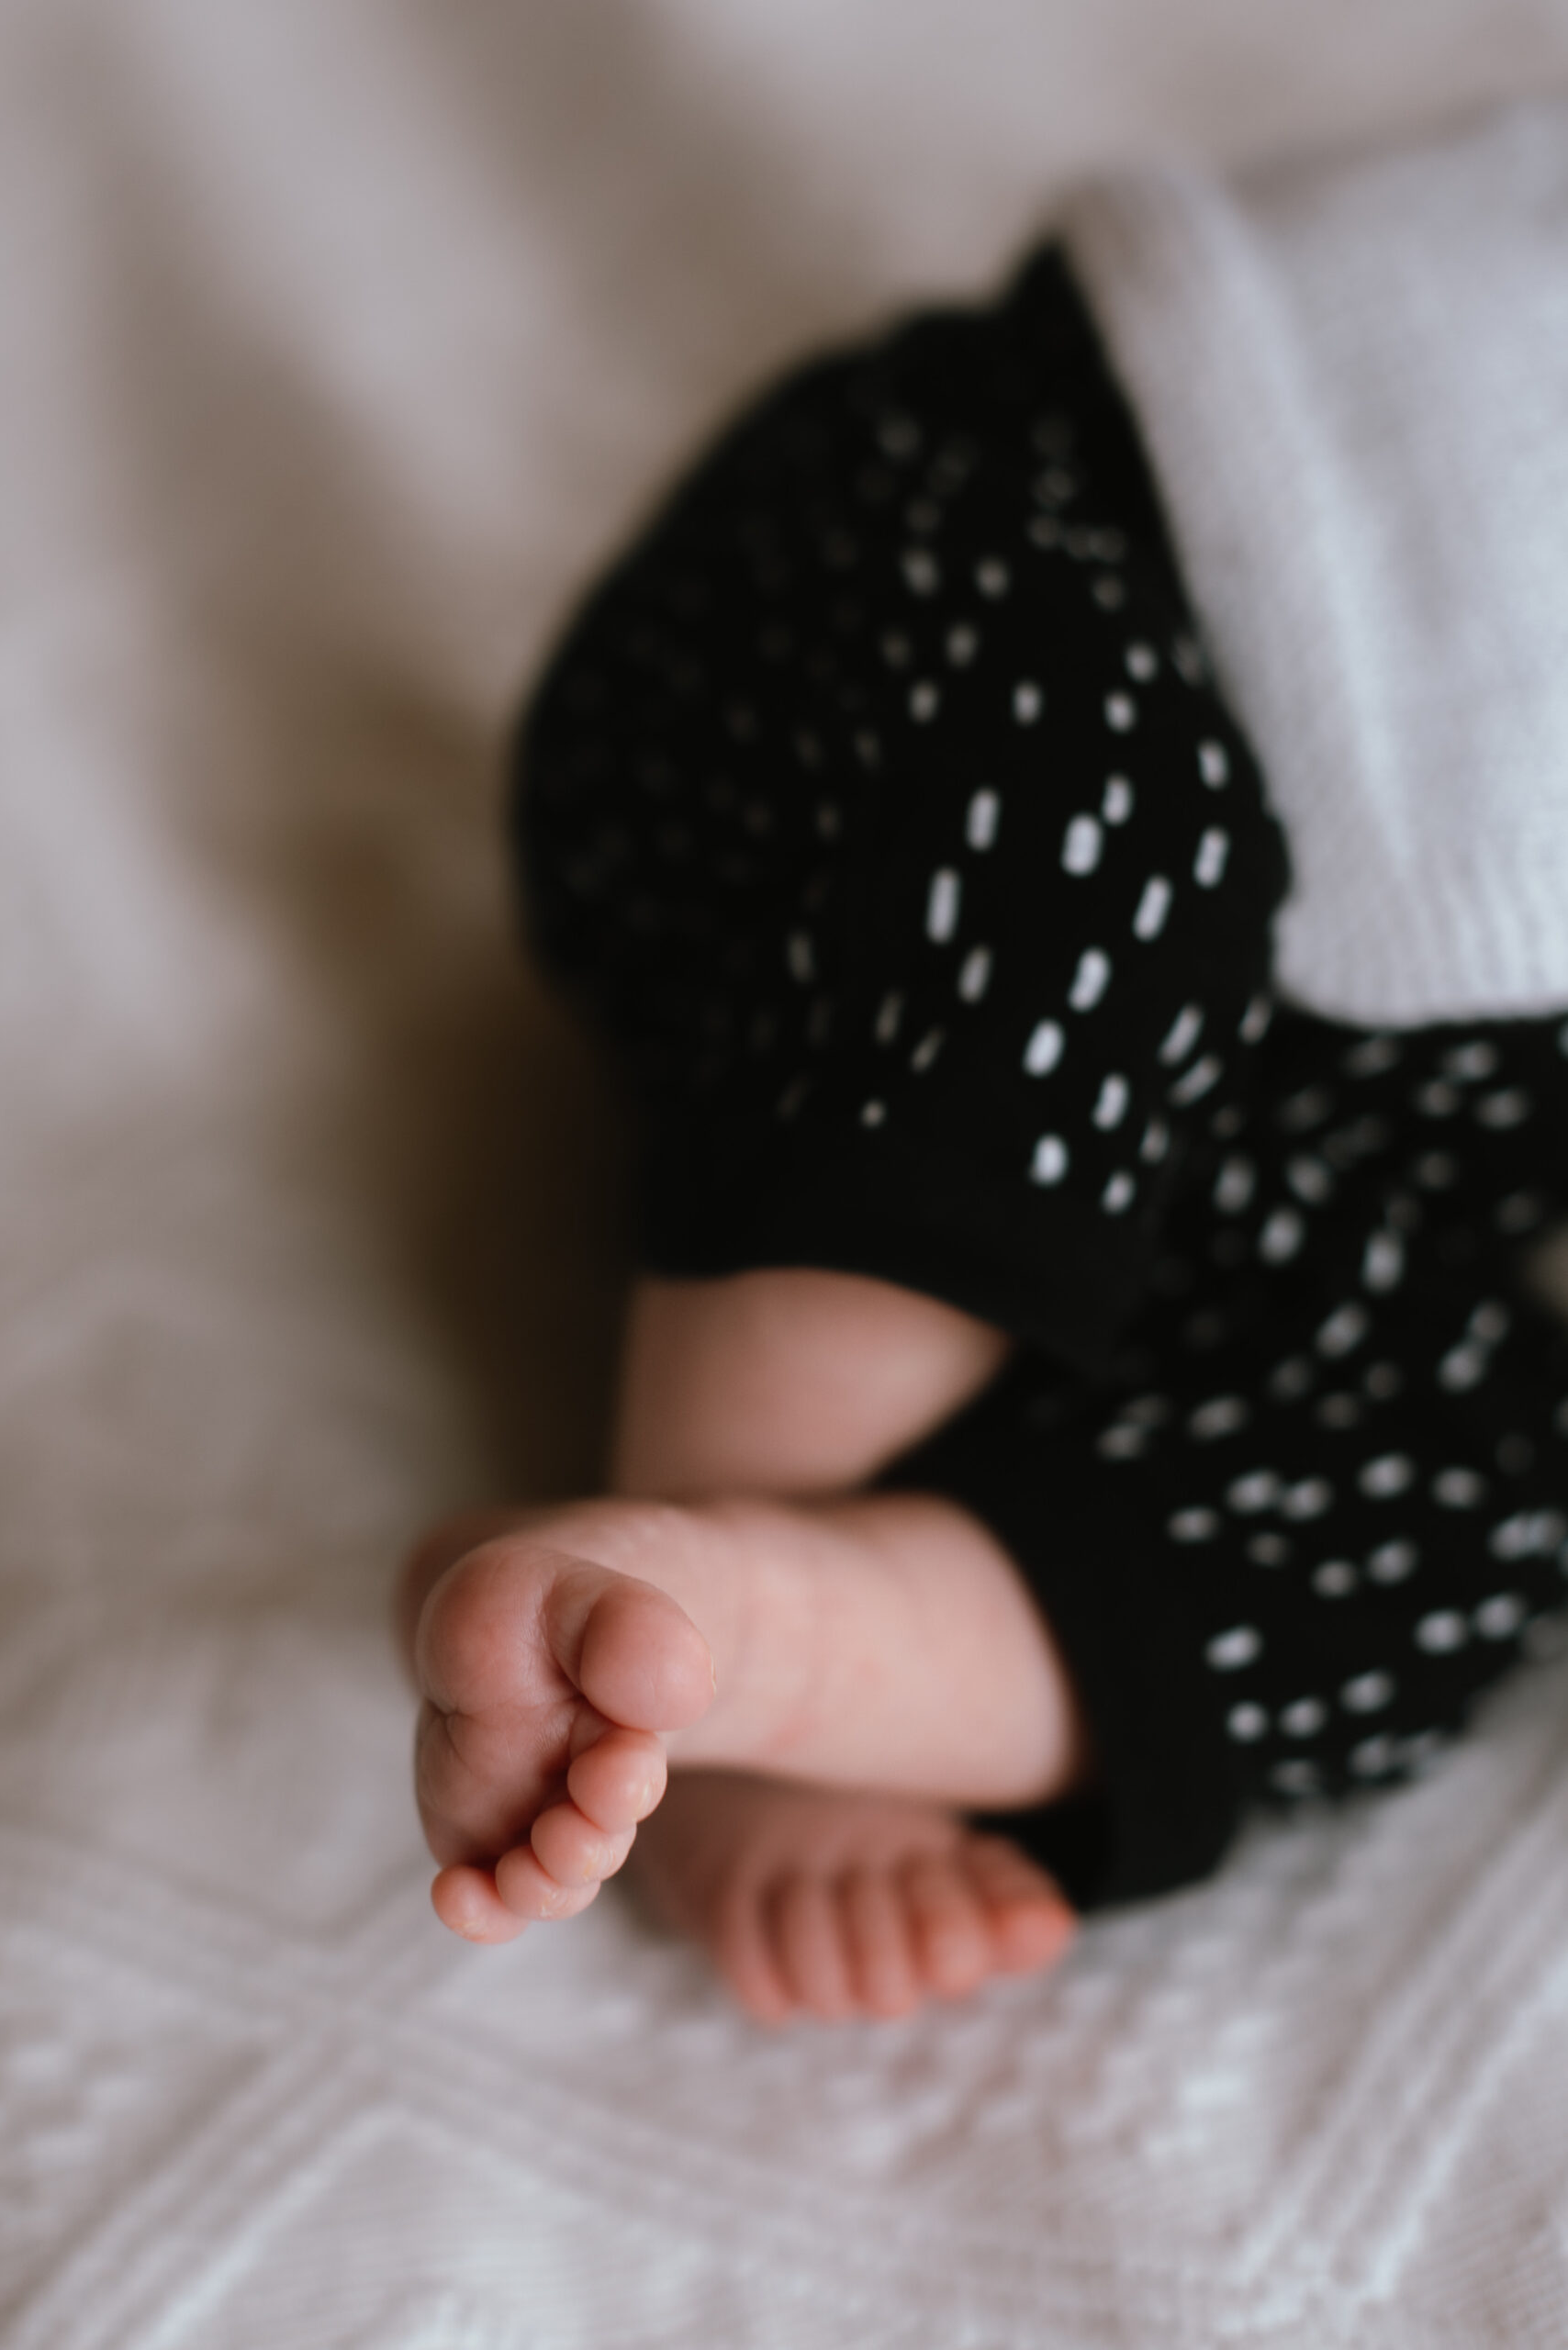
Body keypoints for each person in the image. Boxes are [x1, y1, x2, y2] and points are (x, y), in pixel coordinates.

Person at [398, 102, 1568, 2022]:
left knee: (1474, 1512)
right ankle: (725, 1523)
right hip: (1014, 627)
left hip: (1365, 1125)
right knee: (1086, 831)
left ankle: (764, 1634)